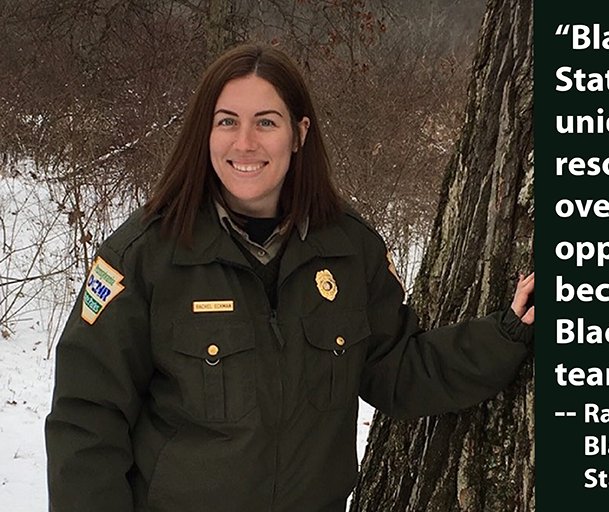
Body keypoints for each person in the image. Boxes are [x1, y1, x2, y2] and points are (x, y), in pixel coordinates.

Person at [45, 43, 534, 511]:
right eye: (226, 122)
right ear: (205, 134)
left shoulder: (349, 249)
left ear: (299, 134)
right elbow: (87, 419)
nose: (245, 143)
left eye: (266, 122)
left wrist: (507, 333)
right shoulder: (144, 255)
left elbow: (398, 371)